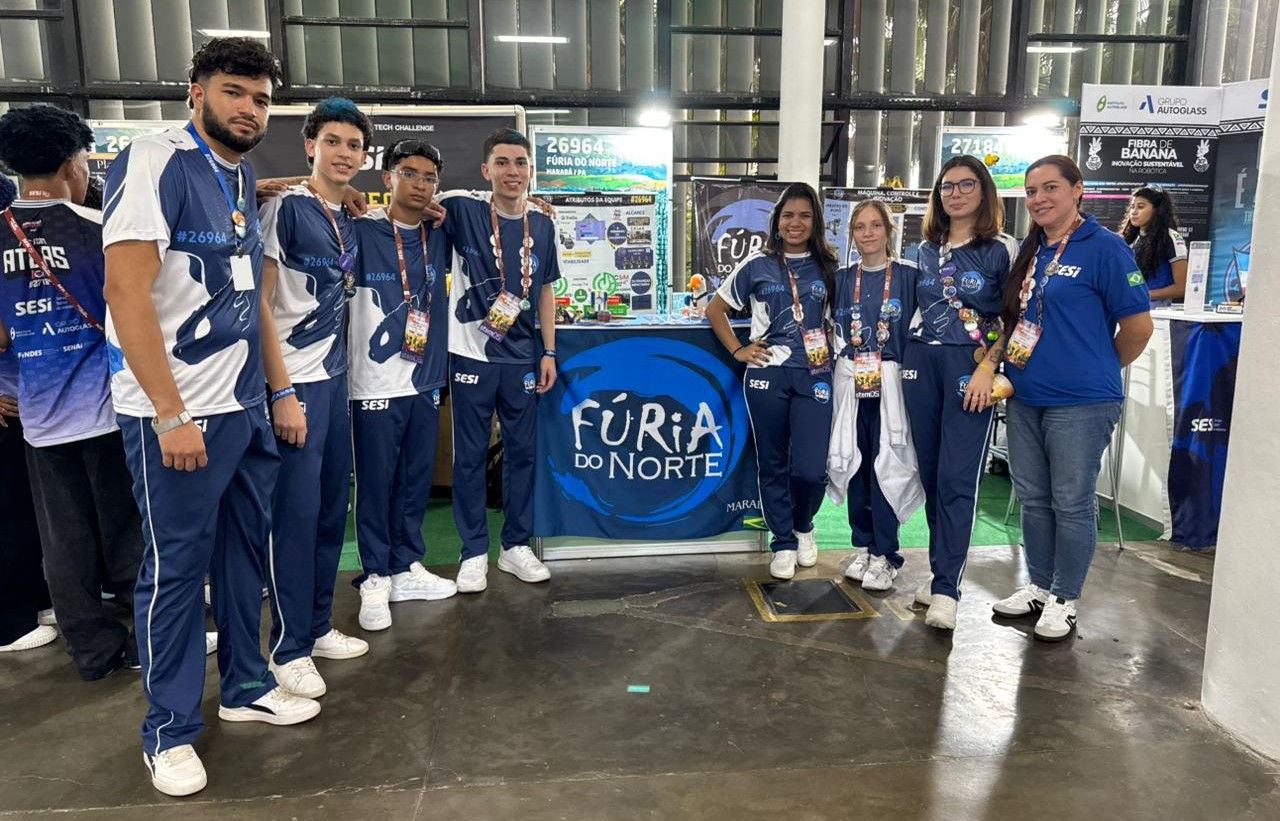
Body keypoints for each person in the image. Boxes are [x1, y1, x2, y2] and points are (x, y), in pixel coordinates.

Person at [102, 37, 319, 799]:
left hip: (242, 405)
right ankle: (167, 730)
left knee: (242, 554)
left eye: (261, 99)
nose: (249, 109)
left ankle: (246, 686)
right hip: (178, 412)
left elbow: (244, 291)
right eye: (234, 92)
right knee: (174, 570)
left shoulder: (240, 173)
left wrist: (275, 392)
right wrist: (169, 412)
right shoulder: (153, 160)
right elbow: (125, 291)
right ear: (195, 93)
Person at [0, 105, 143, 678]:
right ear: (71, 163)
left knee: (63, 541)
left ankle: (91, 652)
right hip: (108, 411)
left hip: (37, 418)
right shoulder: (97, 230)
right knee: (127, 530)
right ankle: (148, 640)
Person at [993, 155, 1153, 642]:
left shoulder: (1105, 248)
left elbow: (1138, 328)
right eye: (1031, 191)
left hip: (1081, 403)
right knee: (1034, 498)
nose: (1039, 198)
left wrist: (1095, 368)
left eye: (1050, 188)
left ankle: (1065, 596)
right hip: (1025, 397)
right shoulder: (1032, 250)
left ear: (1077, 189)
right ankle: (1040, 585)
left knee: (1071, 500)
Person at [257, 97, 372, 697]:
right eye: (333, 142)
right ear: (310, 146)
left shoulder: (348, 215)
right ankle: (288, 648)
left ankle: (318, 624)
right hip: (295, 381)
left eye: (354, 145)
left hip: (335, 380)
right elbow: (259, 304)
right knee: (295, 519)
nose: (344, 154)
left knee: (330, 511)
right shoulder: (285, 210)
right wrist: (281, 391)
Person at [436, 128, 559, 592]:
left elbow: (545, 290)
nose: (513, 171)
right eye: (503, 163)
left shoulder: (543, 222)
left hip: (522, 356)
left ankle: (515, 546)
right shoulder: (462, 208)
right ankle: (473, 552)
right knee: (469, 455)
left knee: (522, 453)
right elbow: (413, 205)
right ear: (486, 170)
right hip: (471, 353)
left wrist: (548, 351)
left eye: (521, 162)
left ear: (531, 170)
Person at [905, 156, 1018, 631]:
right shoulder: (922, 249)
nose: (955, 193)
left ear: (984, 190)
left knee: (957, 478)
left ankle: (948, 590)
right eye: (946, 186)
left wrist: (989, 369)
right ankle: (940, 575)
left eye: (966, 184)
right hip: (920, 365)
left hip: (970, 370)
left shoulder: (1001, 248)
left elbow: (1016, 317)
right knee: (932, 476)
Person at [349, 139, 457, 630]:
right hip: (372, 382)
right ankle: (374, 575)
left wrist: (534, 201)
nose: (420, 184)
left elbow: (491, 205)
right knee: (377, 483)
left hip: (424, 379)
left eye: (429, 177)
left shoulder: (439, 231)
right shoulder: (359, 228)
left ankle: (406, 565)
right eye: (409, 173)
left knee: (415, 480)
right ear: (387, 178)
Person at [706, 182, 837, 580]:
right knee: (773, 462)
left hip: (816, 373)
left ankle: (803, 526)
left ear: (815, 222)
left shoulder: (830, 267)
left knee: (811, 469)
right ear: (777, 221)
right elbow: (715, 310)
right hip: (768, 374)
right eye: (788, 215)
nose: (796, 223)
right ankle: (782, 542)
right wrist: (738, 350)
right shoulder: (756, 264)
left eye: (805, 215)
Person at [827, 200, 924, 592]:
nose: (867, 233)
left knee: (888, 467)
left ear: (889, 231)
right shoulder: (840, 279)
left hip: (892, 388)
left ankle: (887, 555)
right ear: (851, 234)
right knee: (856, 465)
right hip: (852, 386)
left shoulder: (909, 276)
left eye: (875, 226)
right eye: (860, 227)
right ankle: (865, 546)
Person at [0, 348, 57, 654]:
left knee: (29, 513)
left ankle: (34, 598)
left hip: (24, 404)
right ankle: (9, 624)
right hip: (7, 410)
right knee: (9, 519)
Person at [1119, 186, 1187, 307]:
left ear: (1157, 210)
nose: (1133, 212)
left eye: (1140, 207)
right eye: (1132, 207)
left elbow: (1182, 287)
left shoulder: (1171, 237)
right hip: (1133, 308)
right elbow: (1135, 279)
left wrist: (1143, 294)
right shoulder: (1132, 240)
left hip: (1160, 313)